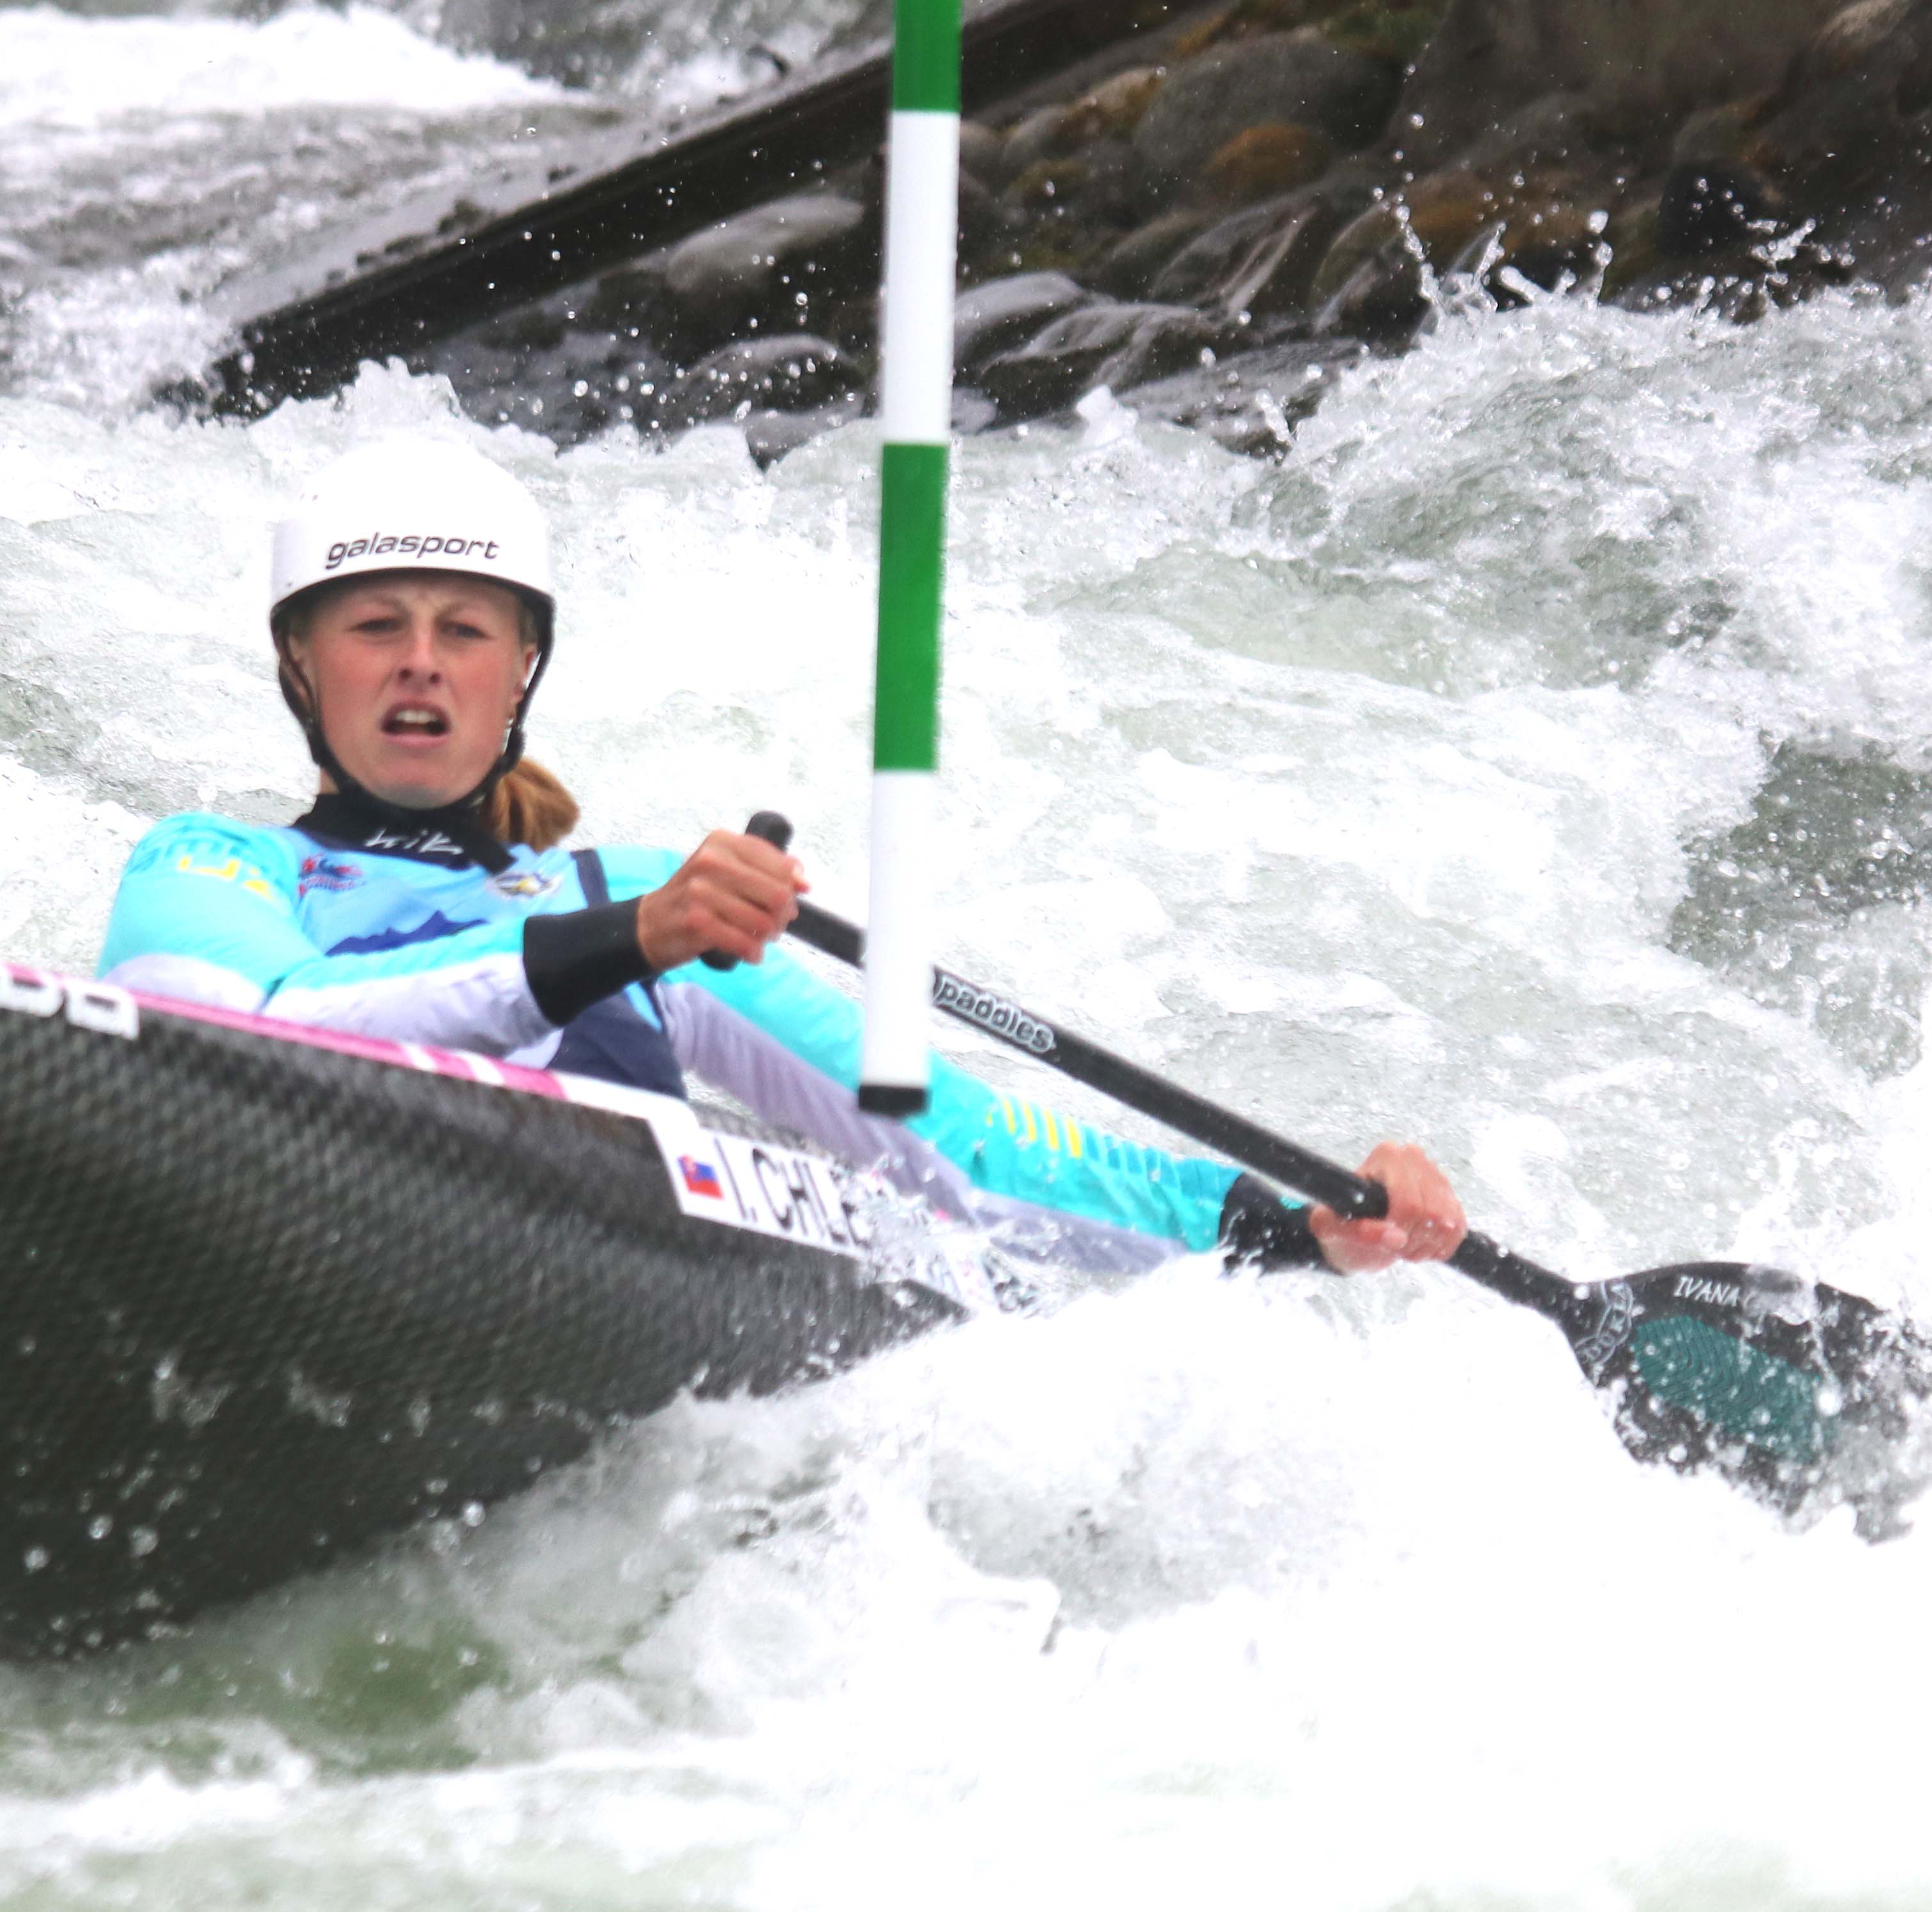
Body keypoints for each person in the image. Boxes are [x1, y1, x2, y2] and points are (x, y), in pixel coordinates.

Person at [98, 436, 1467, 1279]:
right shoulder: (212, 866)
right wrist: (623, 943)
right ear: (299, 658)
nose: (417, 659)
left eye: (464, 628)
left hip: (577, 1279)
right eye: (374, 623)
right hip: (275, 1231)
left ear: (521, 670)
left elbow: (968, 1153)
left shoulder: (614, 892)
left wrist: (1299, 1226)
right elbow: (249, 1028)